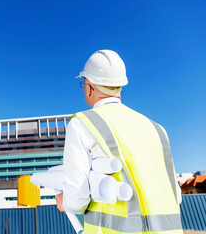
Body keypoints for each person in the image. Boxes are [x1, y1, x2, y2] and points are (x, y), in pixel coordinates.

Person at [55, 50, 183, 234]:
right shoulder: (157, 129)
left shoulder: (82, 124)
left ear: (89, 86)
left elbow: (77, 199)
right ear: (120, 87)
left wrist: (64, 201)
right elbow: (175, 196)